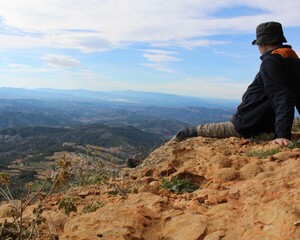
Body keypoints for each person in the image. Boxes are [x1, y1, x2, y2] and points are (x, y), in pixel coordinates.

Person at [172, 21, 299, 146]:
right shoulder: (292, 60)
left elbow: (281, 96)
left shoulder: (271, 61)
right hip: (264, 124)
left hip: (247, 125)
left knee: (186, 132)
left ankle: (170, 148)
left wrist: (282, 134)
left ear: (263, 43)